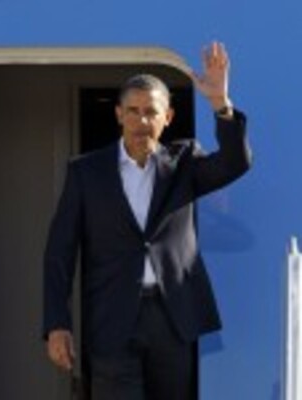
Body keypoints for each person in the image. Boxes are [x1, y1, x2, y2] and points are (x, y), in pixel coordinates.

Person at [42, 42, 252, 399]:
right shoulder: (86, 172)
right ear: (118, 115)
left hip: (172, 318)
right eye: (133, 111)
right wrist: (57, 323)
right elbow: (59, 253)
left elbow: (236, 162)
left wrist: (221, 104)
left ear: (167, 117)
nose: (142, 121)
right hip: (111, 319)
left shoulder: (184, 163)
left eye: (151, 112)